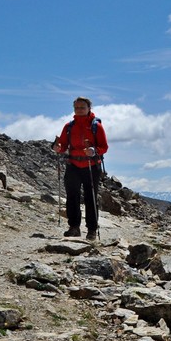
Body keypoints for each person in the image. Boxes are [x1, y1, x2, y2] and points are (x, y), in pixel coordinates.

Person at [53, 97, 109, 239]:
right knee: (72, 197)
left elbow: (104, 147)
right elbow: (64, 145)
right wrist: (58, 147)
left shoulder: (96, 126)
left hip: (91, 165)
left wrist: (94, 150)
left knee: (90, 197)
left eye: (82, 107)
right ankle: (74, 227)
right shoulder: (69, 126)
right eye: (77, 108)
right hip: (73, 165)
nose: (79, 110)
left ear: (89, 108)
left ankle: (91, 230)